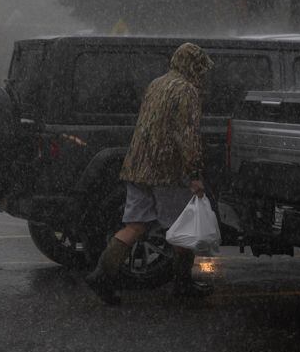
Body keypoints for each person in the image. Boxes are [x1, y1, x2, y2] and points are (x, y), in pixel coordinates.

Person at [85, 42, 215, 305]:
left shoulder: (156, 84)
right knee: (182, 228)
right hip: (167, 170)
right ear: (194, 66)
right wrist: (194, 174)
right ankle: (183, 284)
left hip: (137, 166)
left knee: (135, 225)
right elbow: (187, 135)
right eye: (201, 68)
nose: (203, 74)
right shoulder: (187, 91)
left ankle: (102, 274)